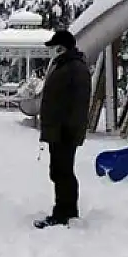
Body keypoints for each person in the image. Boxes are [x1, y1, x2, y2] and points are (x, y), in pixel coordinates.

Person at [35, 29, 91, 229]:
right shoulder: (63, 65)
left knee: (63, 171)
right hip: (57, 130)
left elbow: (79, 102)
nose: (52, 51)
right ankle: (65, 210)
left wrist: (70, 128)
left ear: (64, 47)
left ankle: (64, 212)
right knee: (58, 171)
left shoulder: (75, 67)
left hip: (65, 131)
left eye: (55, 46)